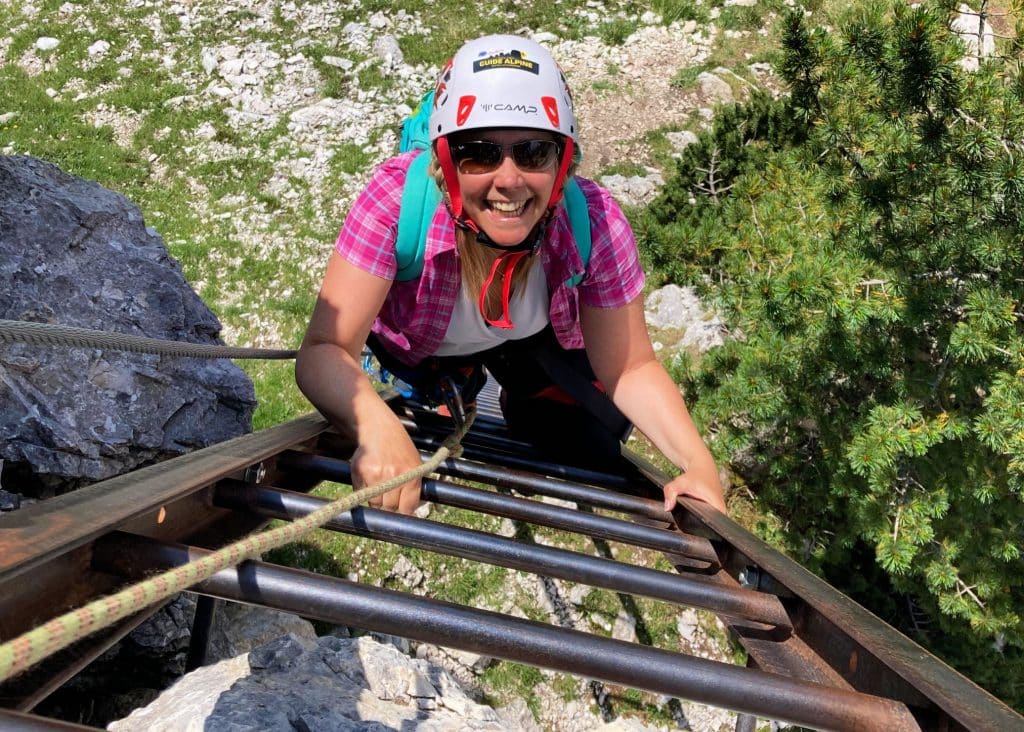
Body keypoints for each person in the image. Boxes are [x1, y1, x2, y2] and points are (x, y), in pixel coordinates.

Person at [295, 34, 726, 516]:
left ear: (563, 162)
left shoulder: (596, 221)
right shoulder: (396, 202)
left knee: (594, 435)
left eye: (534, 152)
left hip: (524, 341)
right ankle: (452, 380)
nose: (508, 179)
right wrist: (378, 427)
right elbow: (325, 350)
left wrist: (698, 464)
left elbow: (629, 366)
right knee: (438, 386)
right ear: (446, 163)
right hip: (426, 348)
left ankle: (517, 399)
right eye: (478, 152)